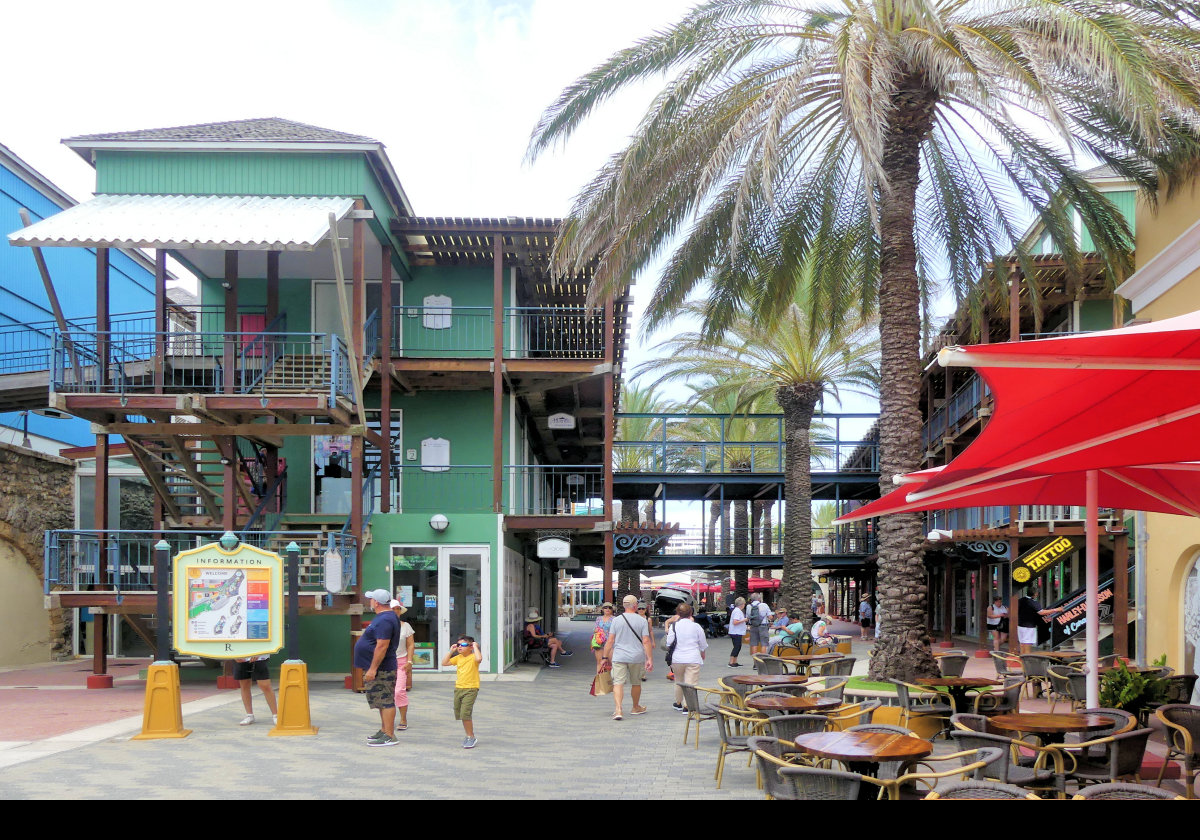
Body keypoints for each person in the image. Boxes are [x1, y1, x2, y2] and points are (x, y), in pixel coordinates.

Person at [355, 588, 403, 747]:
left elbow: (382, 646)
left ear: (376, 602)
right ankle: (384, 730)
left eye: (371, 599)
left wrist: (372, 669)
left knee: (386, 700)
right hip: (380, 667)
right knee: (380, 700)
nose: (370, 601)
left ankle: (389, 735)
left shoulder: (385, 620)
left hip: (382, 668)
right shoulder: (386, 617)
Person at [601, 594, 653, 720]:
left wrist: (604, 657)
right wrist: (649, 658)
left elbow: (610, 641)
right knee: (636, 683)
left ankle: (618, 709)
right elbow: (646, 641)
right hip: (636, 656)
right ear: (635, 606)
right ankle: (635, 707)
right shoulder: (642, 620)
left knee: (618, 683)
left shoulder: (616, 620)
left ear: (624, 605)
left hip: (619, 656)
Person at [663, 603, 707, 711]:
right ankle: (687, 705)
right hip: (693, 658)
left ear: (678, 613)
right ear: (691, 613)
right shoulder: (696, 626)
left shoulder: (674, 626)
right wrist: (702, 652)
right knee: (690, 683)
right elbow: (702, 643)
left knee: (678, 681)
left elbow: (669, 643)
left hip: (677, 658)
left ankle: (678, 702)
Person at [441, 634, 482, 749]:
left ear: (470, 647)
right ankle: (469, 735)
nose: (460, 647)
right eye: (458, 645)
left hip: (471, 688)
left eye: (463, 645)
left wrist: (475, 647)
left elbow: (479, 659)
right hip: (459, 688)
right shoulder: (458, 658)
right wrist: (450, 651)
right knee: (460, 713)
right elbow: (444, 663)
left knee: (465, 713)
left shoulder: (473, 656)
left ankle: (471, 736)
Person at [389, 599, 416, 731]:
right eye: (393, 609)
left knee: (399, 691)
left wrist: (409, 661)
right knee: (386, 692)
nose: (396, 611)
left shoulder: (406, 626)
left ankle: (403, 719)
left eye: (398, 609)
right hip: (386, 663)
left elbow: (410, 645)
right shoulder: (383, 625)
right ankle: (387, 720)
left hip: (401, 662)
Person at [235, 653, 277, 726]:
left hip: (259, 656)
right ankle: (249, 715)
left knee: (265, 685)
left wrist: (258, 652)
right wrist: (234, 656)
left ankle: (276, 715)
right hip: (241, 655)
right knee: (244, 685)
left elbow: (267, 641)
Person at [1016, 588, 1064, 654]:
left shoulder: (1020, 600)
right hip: (1029, 627)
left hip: (1020, 626)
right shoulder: (1033, 602)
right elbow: (1042, 612)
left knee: (1022, 644)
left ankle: (1021, 660)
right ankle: (1026, 661)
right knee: (1027, 645)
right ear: (1035, 594)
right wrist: (1056, 610)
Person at [592, 602, 615, 674]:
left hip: (610, 642)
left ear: (612, 609)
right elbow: (595, 629)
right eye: (605, 607)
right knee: (599, 661)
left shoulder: (614, 619)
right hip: (600, 642)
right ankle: (599, 679)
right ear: (602, 609)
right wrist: (597, 631)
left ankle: (613, 680)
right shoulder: (599, 618)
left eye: (609, 608)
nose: (607, 609)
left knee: (612, 662)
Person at [746, 592, 771, 656]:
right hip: (763, 626)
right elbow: (770, 616)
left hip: (753, 626)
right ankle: (763, 660)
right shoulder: (764, 605)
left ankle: (755, 661)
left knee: (754, 643)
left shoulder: (748, 606)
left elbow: (748, 617)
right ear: (759, 598)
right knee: (764, 644)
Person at [728, 596, 748, 667]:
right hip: (736, 632)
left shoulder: (737, 611)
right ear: (742, 604)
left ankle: (735, 661)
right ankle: (731, 662)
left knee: (738, 646)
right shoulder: (737, 611)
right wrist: (744, 620)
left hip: (737, 631)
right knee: (737, 647)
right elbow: (735, 622)